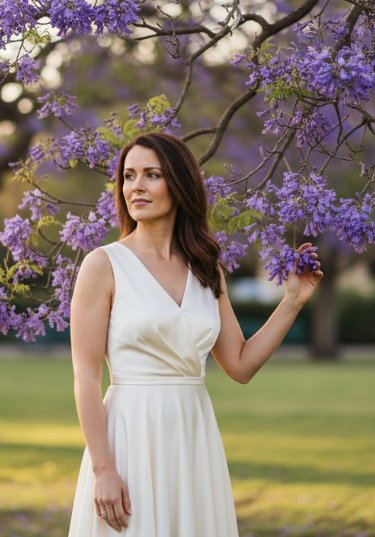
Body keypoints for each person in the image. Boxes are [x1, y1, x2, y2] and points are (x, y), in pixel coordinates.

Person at [67, 132, 324, 536]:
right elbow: (85, 376)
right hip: (130, 435)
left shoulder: (207, 267)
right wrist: (103, 469)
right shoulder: (103, 265)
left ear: (179, 183)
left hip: (193, 433)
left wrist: (292, 300)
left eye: (151, 175)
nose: (136, 186)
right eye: (129, 176)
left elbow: (239, 365)